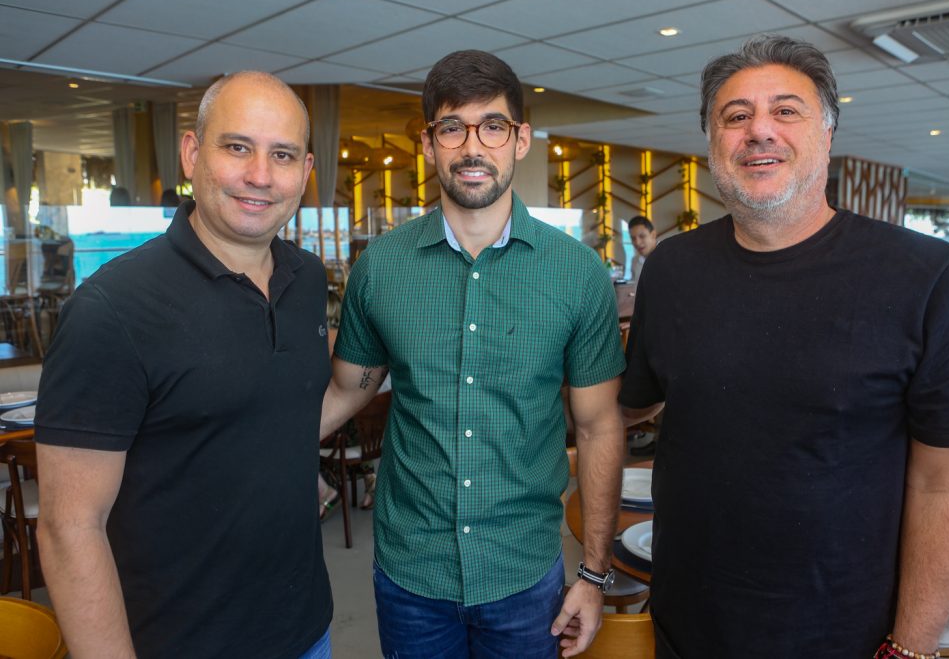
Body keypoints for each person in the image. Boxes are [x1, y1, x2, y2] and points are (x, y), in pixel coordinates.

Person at [619, 35, 949, 658]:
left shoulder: (928, 275)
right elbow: (628, 406)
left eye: (785, 110)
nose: (759, 132)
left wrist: (912, 648)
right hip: (687, 617)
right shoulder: (673, 268)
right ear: (712, 143)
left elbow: (943, 483)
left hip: (847, 632)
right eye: (736, 116)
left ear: (827, 133)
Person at [321, 50, 626, 659]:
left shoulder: (577, 275)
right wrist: (244, 453)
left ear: (521, 140)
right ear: (430, 144)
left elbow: (597, 427)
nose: (472, 146)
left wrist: (593, 576)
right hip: (411, 571)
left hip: (522, 571)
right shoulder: (381, 267)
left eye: (493, 125)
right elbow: (349, 389)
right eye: (452, 127)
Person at [34, 71, 333, 659]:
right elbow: (70, 530)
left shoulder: (306, 280)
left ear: (305, 170)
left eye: (282, 154)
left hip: (307, 630)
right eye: (237, 147)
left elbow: (285, 415)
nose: (260, 176)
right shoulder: (112, 310)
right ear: (193, 153)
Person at [627, 215, 657, 281]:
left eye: (642, 236)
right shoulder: (635, 261)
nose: (637, 243)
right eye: (633, 238)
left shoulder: (667, 256)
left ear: (653, 235)